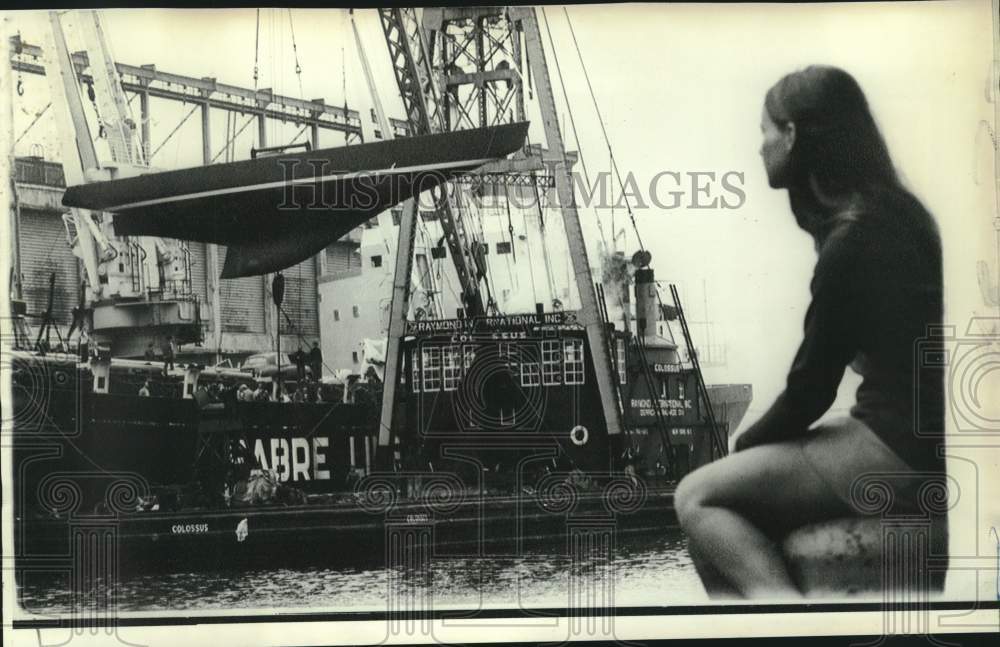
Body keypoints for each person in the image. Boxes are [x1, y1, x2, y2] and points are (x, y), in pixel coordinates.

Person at [674, 66, 946, 599]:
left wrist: (744, 449)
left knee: (697, 497)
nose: (759, 148)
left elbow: (810, 390)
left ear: (793, 135)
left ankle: (787, 623)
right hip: (931, 438)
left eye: (765, 132)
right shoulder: (903, 217)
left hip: (894, 445)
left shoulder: (852, 240)